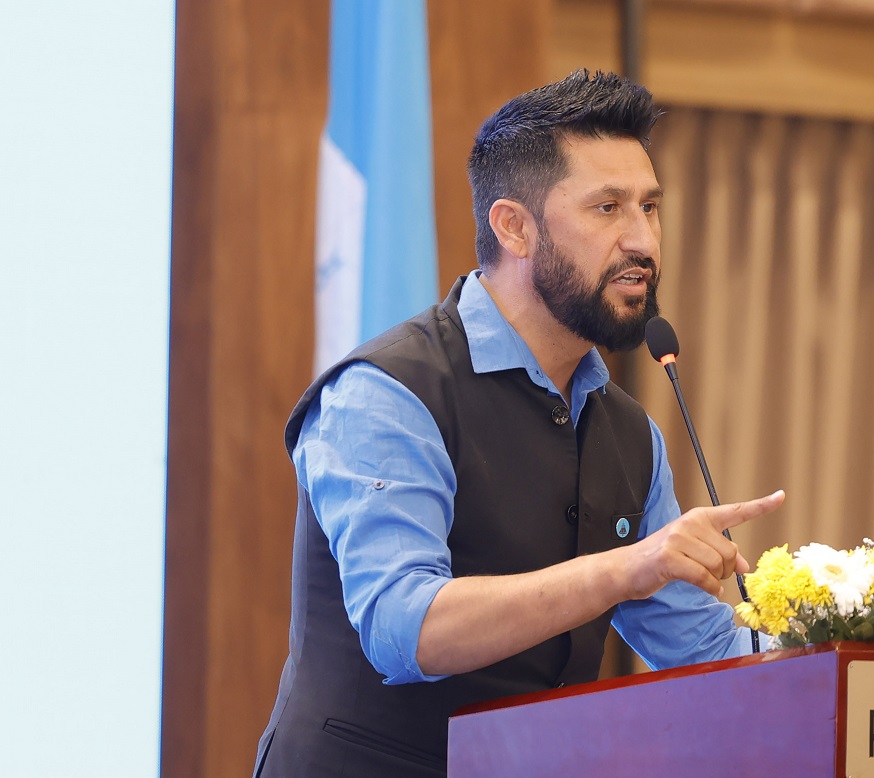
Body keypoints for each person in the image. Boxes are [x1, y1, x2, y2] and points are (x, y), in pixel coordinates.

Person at [253, 69, 785, 777]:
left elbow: (707, 652)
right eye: (608, 208)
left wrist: (868, 634)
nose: (643, 241)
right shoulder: (388, 391)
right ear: (514, 227)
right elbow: (405, 628)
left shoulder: (630, 435)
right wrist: (626, 567)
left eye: (651, 207)